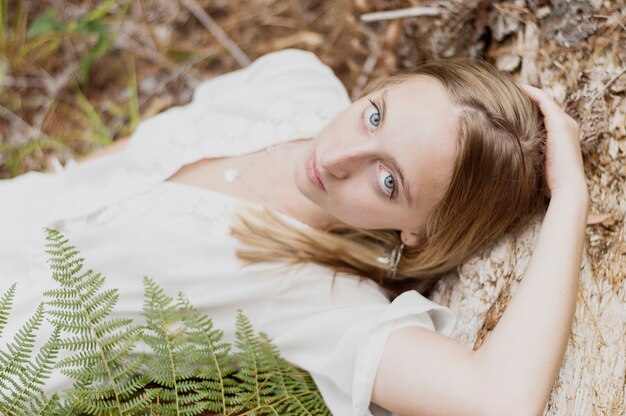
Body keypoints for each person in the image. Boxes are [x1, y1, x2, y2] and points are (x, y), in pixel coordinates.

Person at [0, 49, 587, 416]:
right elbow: (123, 158)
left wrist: (571, 202)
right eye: (375, 115)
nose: (336, 157)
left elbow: (497, 402)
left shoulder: (311, 295)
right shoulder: (292, 82)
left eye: (387, 181)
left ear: (418, 232)